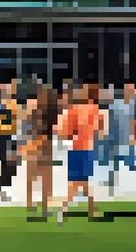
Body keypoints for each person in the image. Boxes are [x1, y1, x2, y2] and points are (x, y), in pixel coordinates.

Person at [56, 85, 105, 223]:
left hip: (74, 148)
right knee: (80, 182)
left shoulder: (72, 110)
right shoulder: (94, 110)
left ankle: (88, 209)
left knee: (78, 182)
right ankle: (70, 208)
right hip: (86, 148)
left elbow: (62, 132)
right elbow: (100, 130)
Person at [23, 86, 58, 219]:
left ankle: (34, 205)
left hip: (38, 144)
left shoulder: (34, 110)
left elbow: (28, 128)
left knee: (36, 177)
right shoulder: (47, 111)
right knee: (43, 177)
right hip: (42, 144)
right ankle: (40, 205)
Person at [0, 84, 18, 200]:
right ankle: (1, 184)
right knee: (2, 160)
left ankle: (4, 184)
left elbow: (15, 121)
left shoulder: (12, 105)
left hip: (7, 135)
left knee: (7, 161)